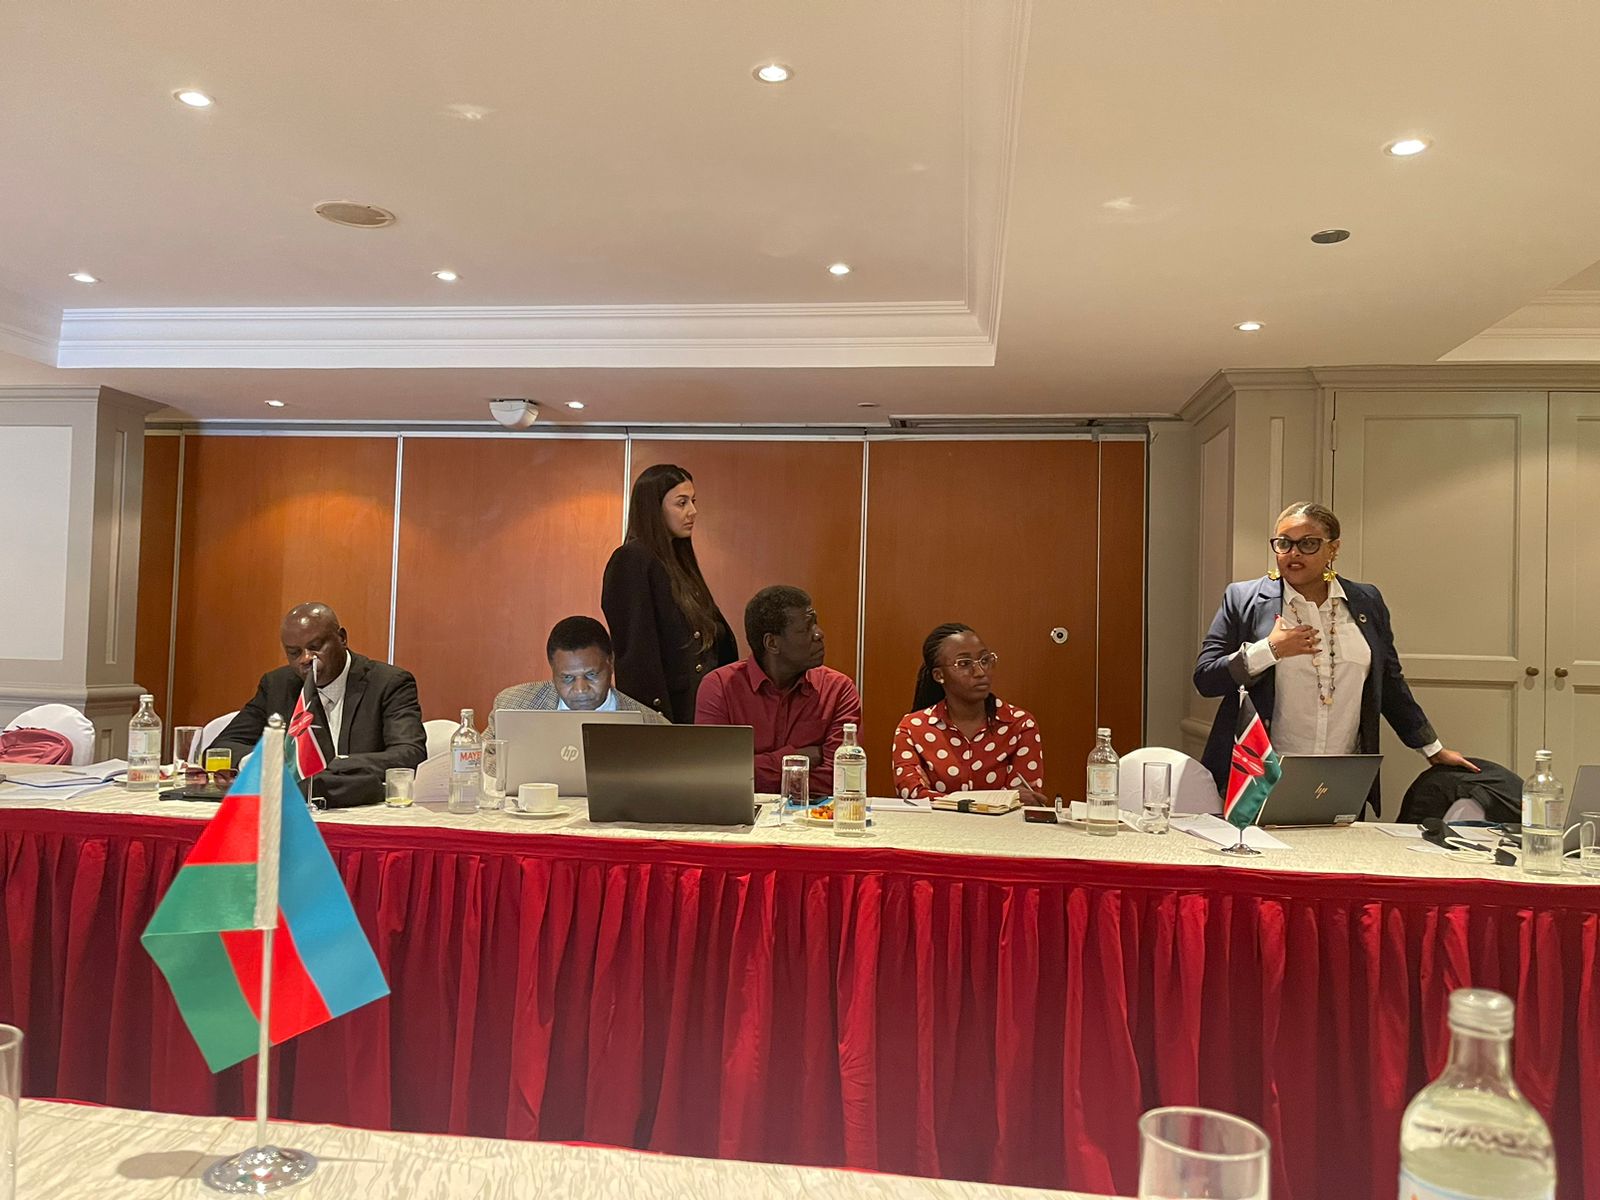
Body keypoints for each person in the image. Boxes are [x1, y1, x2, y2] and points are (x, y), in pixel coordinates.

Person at [1194, 501, 1476, 817]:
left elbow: (1390, 684)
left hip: (1341, 776)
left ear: (1333, 548)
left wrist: (1432, 749)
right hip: (1261, 774)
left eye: (1308, 544)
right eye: (1284, 543)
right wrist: (1269, 650)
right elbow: (1206, 678)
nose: (1293, 553)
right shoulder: (1243, 599)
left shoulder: (1367, 601)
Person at [211, 602, 426, 808]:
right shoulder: (277, 685)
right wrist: (265, 761)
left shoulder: (388, 683)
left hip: (363, 807)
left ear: (342, 638)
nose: (306, 659)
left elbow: (409, 754)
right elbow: (220, 748)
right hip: (294, 808)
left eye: (315, 647)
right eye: (294, 653)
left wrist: (332, 763)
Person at [601, 464, 737, 723]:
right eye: (681, 503)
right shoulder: (632, 560)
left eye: (693, 501)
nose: (693, 511)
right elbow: (637, 656)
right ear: (654, 508)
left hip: (704, 711)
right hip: (670, 718)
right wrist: (655, 723)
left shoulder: (679, 563)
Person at [695, 585, 862, 793]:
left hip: (815, 812)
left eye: (816, 623)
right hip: (741, 813)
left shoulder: (838, 689)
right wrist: (795, 758)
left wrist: (746, 771)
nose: (819, 634)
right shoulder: (719, 687)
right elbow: (713, 776)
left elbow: (840, 779)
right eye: (806, 628)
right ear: (772, 643)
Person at [891, 623, 1047, 803]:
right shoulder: (912, 728)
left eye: (985, 660)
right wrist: (992, 802)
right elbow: (913, 795)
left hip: (1000, 824)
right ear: (939, 675)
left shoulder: (1019, 724)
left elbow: (1023, 801)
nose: (980, 672)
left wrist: (945, 800)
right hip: (936, 823)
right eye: (964, 664)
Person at [489, 615, 668, 730]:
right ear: (552, 669)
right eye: (568, 678)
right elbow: (486, 763)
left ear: (611, 663)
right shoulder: (512, 706)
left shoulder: (653, 727)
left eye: (591, 675)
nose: (581, 689)